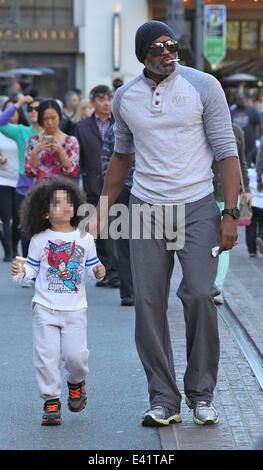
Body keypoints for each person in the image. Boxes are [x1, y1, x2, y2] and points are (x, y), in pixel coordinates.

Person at [84, 20, 240, 427]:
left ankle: (202, 395)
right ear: (143, 55)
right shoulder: (125, 97)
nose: (169, 52)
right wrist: (101, 211)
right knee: (148, 305)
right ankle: (163, 400)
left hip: (197, 207)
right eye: (159, 47)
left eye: (172, 45)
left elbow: (226, 151)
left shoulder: (204, 86)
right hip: (145, 209)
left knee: (200, 294)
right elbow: (121, 157)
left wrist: (231, 213)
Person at [11, 176, 105, 426]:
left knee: (76, 356)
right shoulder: (39, 240)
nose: (63, 207)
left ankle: (76, 382)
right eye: (55, 203)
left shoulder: (84, 239)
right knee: (46, 356)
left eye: (67, 202)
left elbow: (90, 268)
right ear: (44, 212)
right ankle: (51, 400)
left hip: (75, 309)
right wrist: (20, 273)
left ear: (75, 206)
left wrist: (97, 271)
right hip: (44, 308)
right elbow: (31, 270)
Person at [75, 85, 119, 288]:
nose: (106, 103)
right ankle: (108, 272)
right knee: (96, 231)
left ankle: (116, 272)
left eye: (109, 98)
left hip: (117, 186)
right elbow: (79, 159)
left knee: (114, 230)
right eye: (101, 99)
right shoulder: (82, 126)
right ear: (92, 102)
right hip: (91, 185)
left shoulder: (120, 124)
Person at [212, 123, 252, 304]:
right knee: (213, 241)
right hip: (209, 192)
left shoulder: (236, 131)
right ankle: (212, 285)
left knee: (224, 242)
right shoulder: (201, 127)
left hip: (226, 194)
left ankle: (217, 286)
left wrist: (246, 189)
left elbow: (241, 161)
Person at [0, 95, 42, 260]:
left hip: (46, 186)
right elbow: (1, 122)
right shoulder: (22, 131)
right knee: (26, 228)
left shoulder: (53, 135)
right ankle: (28, 268)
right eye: (30, 109)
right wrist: (19, 103)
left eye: (37, 109)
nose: (32, 112)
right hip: (24, 185)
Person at [101, 124, 135, 306]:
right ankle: (128, 292)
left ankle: (147, 292)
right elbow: (106, 159)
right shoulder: (114, 129)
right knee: (124, 242)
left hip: (149, 190)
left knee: (150, 242)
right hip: (122, 190)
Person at [24, 99, 80, 182]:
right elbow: (30, 172)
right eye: (45, 119)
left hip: (63, 190)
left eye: (53, 118)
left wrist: (61, 151)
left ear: (59, 116)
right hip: (41, 190)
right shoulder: (33, 141)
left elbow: (72, 172)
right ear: (40, 120)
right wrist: (35, 151)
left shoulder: (71, 141)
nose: (50, 122)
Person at [0, 101, 20, 261]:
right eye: (8, 110)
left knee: (18, 218)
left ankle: (14, 246)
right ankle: (7, 250)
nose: (13, 113)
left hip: (20, 180)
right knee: (5, 217)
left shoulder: (22, 131)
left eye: (15, 110)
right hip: (3, 180)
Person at [230, 92, 262, 168]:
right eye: (240, 99)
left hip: (250, 145)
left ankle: (246, 179)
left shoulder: (252, 110)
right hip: (236, 146)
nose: (242, 100)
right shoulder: (231, 111)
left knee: (247, 166)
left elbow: (260, 123)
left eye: (243, 98)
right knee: (238, 167)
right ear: (235, 101)